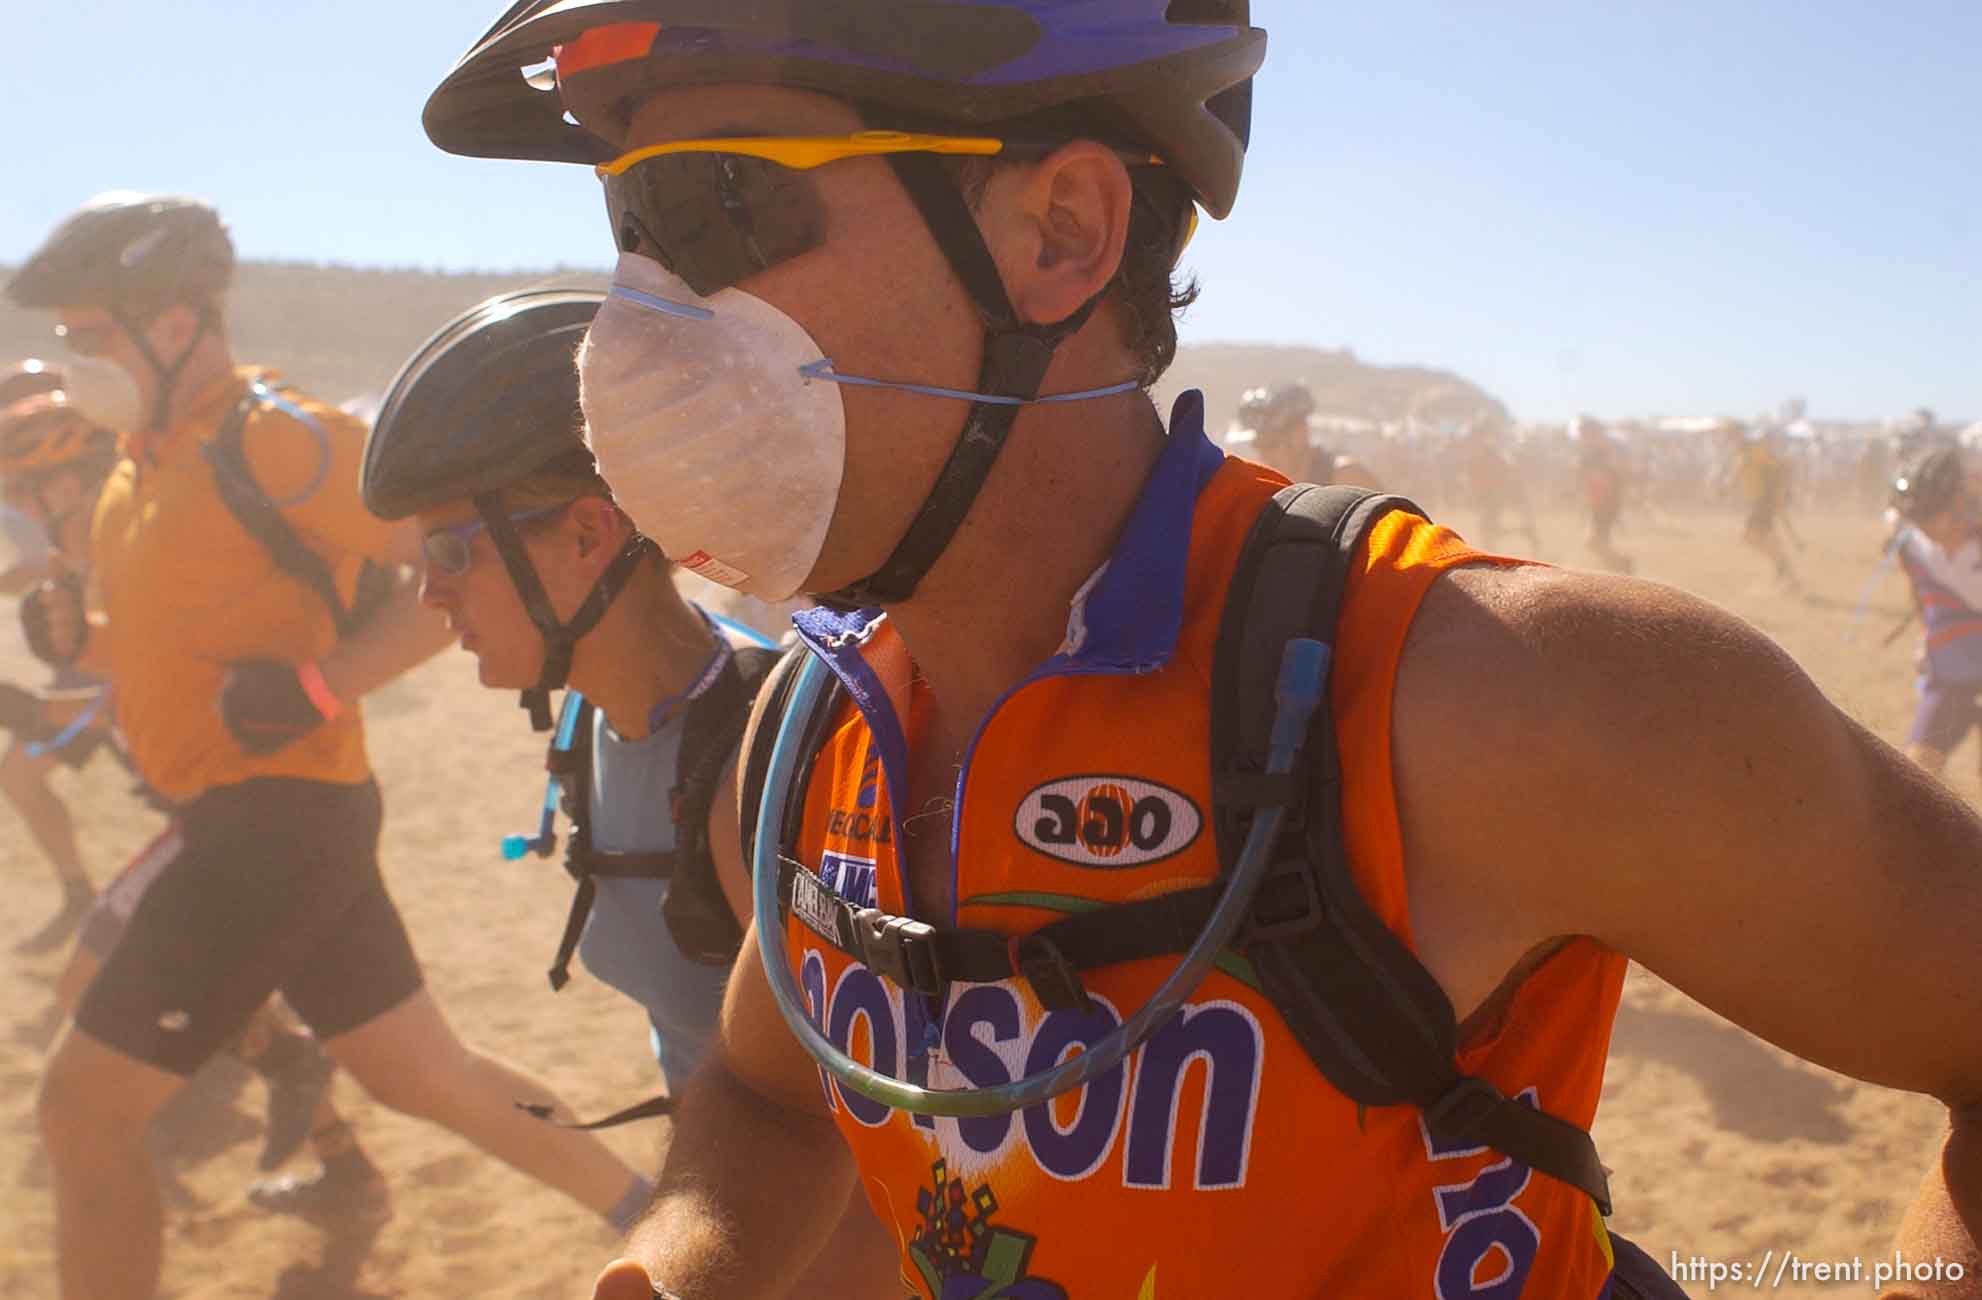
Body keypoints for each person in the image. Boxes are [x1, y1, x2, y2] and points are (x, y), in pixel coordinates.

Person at [428, 6, 1982, 1298]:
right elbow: (771, 1103)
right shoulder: (814, 723)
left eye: (714, 211)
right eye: (625, 229)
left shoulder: (1501, 694)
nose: (632, 317)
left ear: (1061, 232)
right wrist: (670, 1271)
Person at [7, 192, 655, 1298]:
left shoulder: (274, 433)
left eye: (92, 337)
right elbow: (176, 657)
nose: (75, 364)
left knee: (81, 1110)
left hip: (268, 823)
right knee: (426, 1074)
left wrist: (325, 682)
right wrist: (85, 640)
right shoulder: (131, 469)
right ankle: (658, 1215)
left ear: (174, 325)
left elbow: (465, 555)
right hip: (249, 815)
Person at [359, 287, 899, 1297]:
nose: (428, 595)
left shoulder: (754, 760)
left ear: (587, 534)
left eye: (449, 551)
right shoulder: (587, 723)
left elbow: (862, 1146)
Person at [0, 379, 124, 950]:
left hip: (112, 690)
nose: (13, 499)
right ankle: (78, 895)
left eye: (21, 486)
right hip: (91, 683)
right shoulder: (77, 526)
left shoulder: (118, 533)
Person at [1890, 448, 1982, 779]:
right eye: (1917, 518)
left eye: (1931, 515)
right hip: (1949, 673)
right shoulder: (1912, 547)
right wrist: (1926, 636)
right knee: (1917, 773)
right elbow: (1921, 595)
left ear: (1959, 502)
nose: (1924, 526)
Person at [1228, 382, 1382, 488]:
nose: (1264, 455)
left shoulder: (1347, 477)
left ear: (1300, 433)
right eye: (1258, 445)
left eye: (1271, 443)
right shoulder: (1270, 486)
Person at [1721, 418, 1800, 588]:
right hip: (1758, 502)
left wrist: (1781, 491)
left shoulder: (1755, 450)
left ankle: (1782, 566)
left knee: (1750, 537)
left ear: (1739, 434)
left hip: (1763, 502)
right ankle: (1785, 572)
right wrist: (1726, 490)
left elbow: (1779, 466)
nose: (1729, 439)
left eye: (1731, 435)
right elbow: (1739, 474)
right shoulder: (1743, 453)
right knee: (1764, 538)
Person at [1572, 413, 1634, 573]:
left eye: (1584, 433)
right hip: (1599, 501)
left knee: (1593, 542)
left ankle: (1622, 565)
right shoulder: (1592, 453)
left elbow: (1615, 476)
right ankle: (1617, 567)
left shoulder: (1606, 452)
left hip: (1606, 502)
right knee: (1596, 541)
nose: (1582, 437)